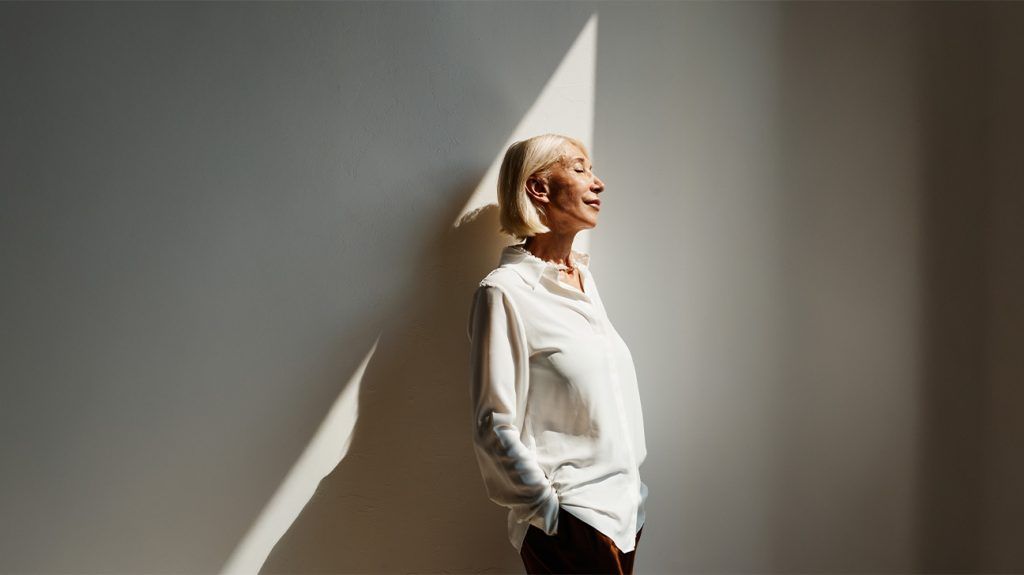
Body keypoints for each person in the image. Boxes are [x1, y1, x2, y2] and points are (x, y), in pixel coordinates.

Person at [467, 133, 648, 574]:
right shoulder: (505, 292)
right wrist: (549, 514)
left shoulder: (583, 281)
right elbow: (493, 423)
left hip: (625, 517)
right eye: (580, 169)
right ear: (539, 188)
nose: (598, 183)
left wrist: (634, 496)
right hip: (574, 521)